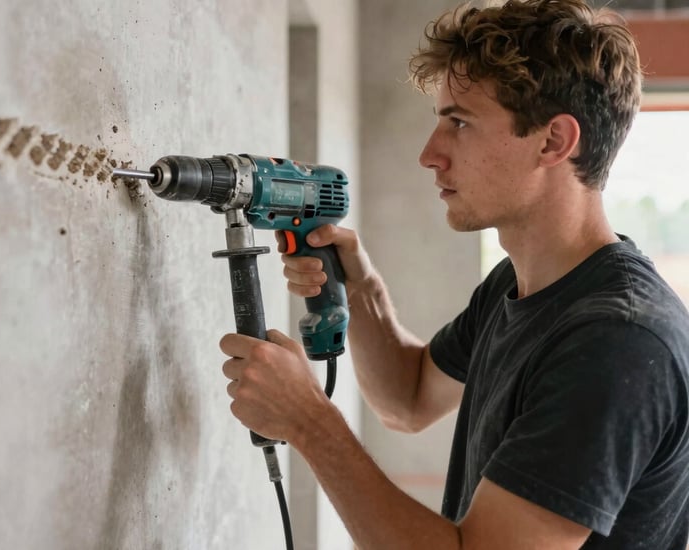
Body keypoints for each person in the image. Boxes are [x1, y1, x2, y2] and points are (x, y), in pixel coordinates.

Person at [219, 0, 689, 547]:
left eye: (459, 123)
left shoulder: (617, 340)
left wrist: (308, 421)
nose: (429, 154)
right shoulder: (519, 284)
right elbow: (409, 399)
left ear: (554, 141)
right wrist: (361, 288)